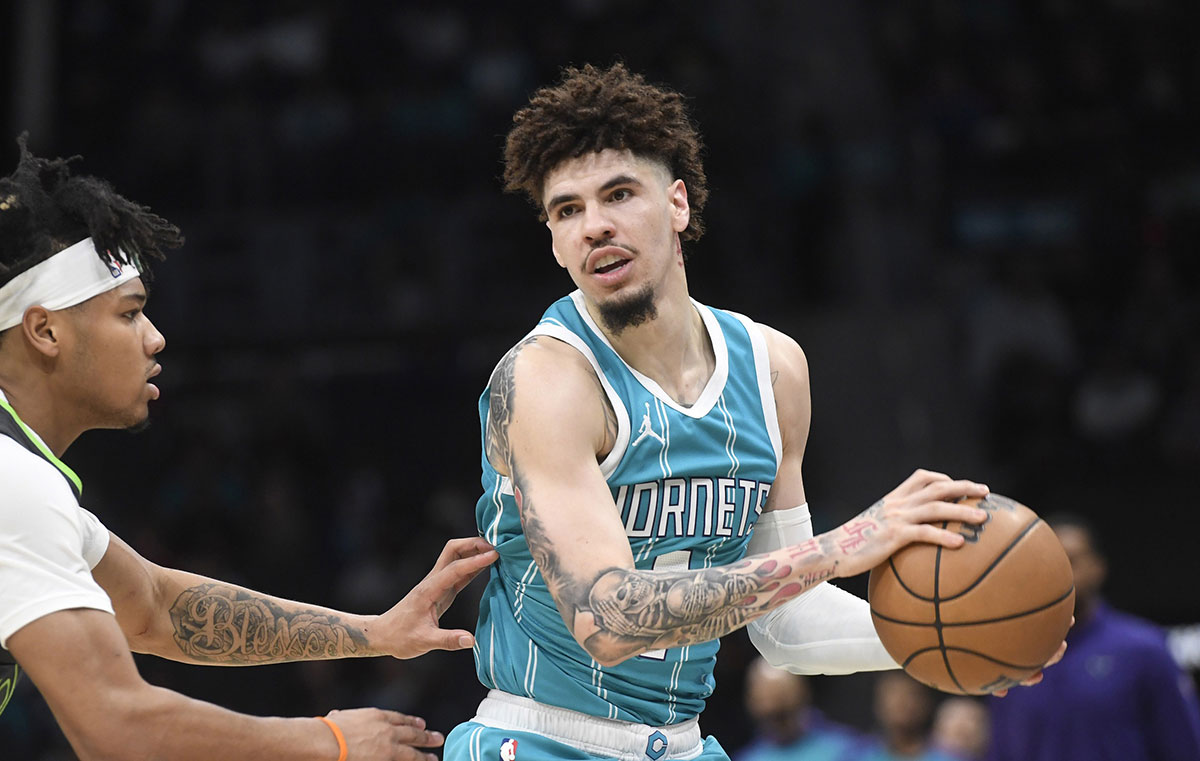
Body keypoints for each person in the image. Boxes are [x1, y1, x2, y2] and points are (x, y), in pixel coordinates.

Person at [443, 63, 1055, 761]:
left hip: (680, 744)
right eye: (567, 210)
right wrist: (842, 545)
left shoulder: (773, 367)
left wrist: (952, 632)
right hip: (540, 738)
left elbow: (785, 622)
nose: (595, 226)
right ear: (552, 239)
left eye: (618, 194)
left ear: (677, 204)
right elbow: (607, 619)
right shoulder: (547, 379)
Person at [0, 137, 498, 761]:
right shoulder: (12, 482)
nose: (155, 339)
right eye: (129, 315)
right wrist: (328, 741)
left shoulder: (20, 479)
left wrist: (377, 633)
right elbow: (114, 725)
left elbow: (157, 608)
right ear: (44, 331)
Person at [986, 514, 1200, 761]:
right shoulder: (1010, 656)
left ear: (1098, 568)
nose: (1058, 571)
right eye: (1047, 560)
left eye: (1072, 560)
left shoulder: (1143, 648)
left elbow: (1185, 748)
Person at [734, 657, 859, 761]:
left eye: (782, 697)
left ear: (803, 692)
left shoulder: (846, 750)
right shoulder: (748, 758)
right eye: (764, 699)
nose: (772, 707)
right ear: (751, 701)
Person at [847, 672, 956, 761]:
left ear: (926, 703)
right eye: (892, 694)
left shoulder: (950, 756)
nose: (901, 703)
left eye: (911, 694)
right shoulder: (854, 754)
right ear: (877, 702)